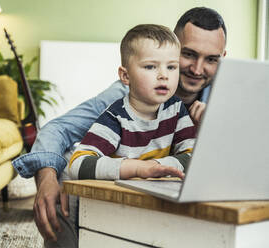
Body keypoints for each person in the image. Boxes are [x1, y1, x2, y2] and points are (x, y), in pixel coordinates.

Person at [12, 6, 226, 245]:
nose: (197, 69)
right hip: (109, 178)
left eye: (211, 59)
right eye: (188, 54)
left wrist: (214, 132)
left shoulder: (224, 98)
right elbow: (58, 129)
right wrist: (47, 179)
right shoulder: (123, 99)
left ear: (223, 59)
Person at [67, 24, 194, 182]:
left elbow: (195, 158)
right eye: (150, 66)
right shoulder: (115, 117)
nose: (164, 75)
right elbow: (77, 164)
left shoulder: (175, 109)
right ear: (125, 76)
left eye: (171, 67)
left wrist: (156, 166)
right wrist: (139, 168)